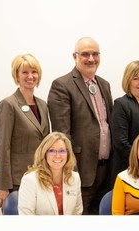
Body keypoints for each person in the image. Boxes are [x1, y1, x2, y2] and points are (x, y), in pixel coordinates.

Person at [48, 37, 113, 215]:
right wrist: (71, 172)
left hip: (106, 172)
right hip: (80, 172)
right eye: (85, 54)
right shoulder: (62, 85)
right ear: (74, 56)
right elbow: (62, 136)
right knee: (81, 228)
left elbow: (108, 127)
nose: (91, 59)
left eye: (95, 54)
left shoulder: (104, 85)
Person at [0, 53, 49, 208]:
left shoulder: (43, 105)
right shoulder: (8, 105)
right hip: (18, 182)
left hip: (41, 179)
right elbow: (2, 147)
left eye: (34, 72)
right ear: (16, 76)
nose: (30, 76)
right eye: (25, 72)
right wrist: (4, 186)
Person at [18, 132, 83, 215]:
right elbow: (26, 217)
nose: (58, 156)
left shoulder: (74, 178)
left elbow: (77, 213)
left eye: (62, 151)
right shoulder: (30, 180)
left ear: (68, 154)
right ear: (44, 154)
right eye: (52, 151)